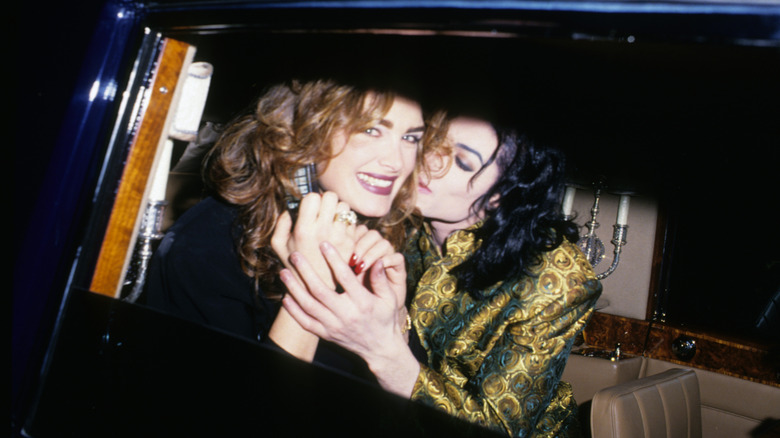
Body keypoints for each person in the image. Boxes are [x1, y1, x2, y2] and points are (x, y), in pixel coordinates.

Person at [277, 111, 603, 437]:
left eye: (461, 162)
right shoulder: (390, 214)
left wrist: (385, 352)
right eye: (431, 141)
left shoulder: (559, 279)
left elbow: (502, 429)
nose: (429, 162)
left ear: (500, 194)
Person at [145, 78, 428, 371]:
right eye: (370, 130)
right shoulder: (205, 244)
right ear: (303, 130)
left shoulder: (378, 228)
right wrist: (313, 280)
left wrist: (394, 316)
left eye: (410, 138)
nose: (396, 163)